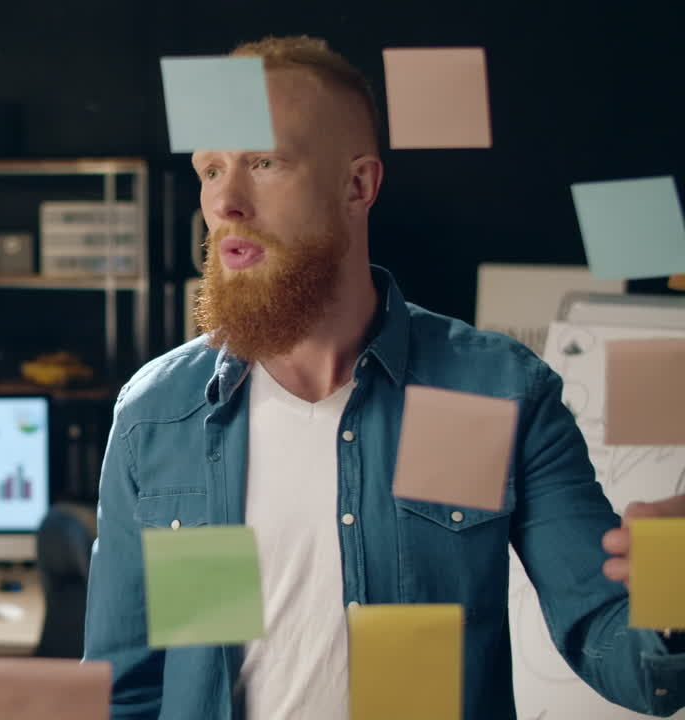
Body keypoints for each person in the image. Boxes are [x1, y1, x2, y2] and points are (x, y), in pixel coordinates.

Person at [82, 35, 685, 719]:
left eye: (263, 161)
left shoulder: (491, 392)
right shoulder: (161, 415)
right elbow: (124, 692)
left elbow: (624, 654)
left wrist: (674, 591)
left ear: (358, 185)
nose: (225, 203)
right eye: (211, 169)